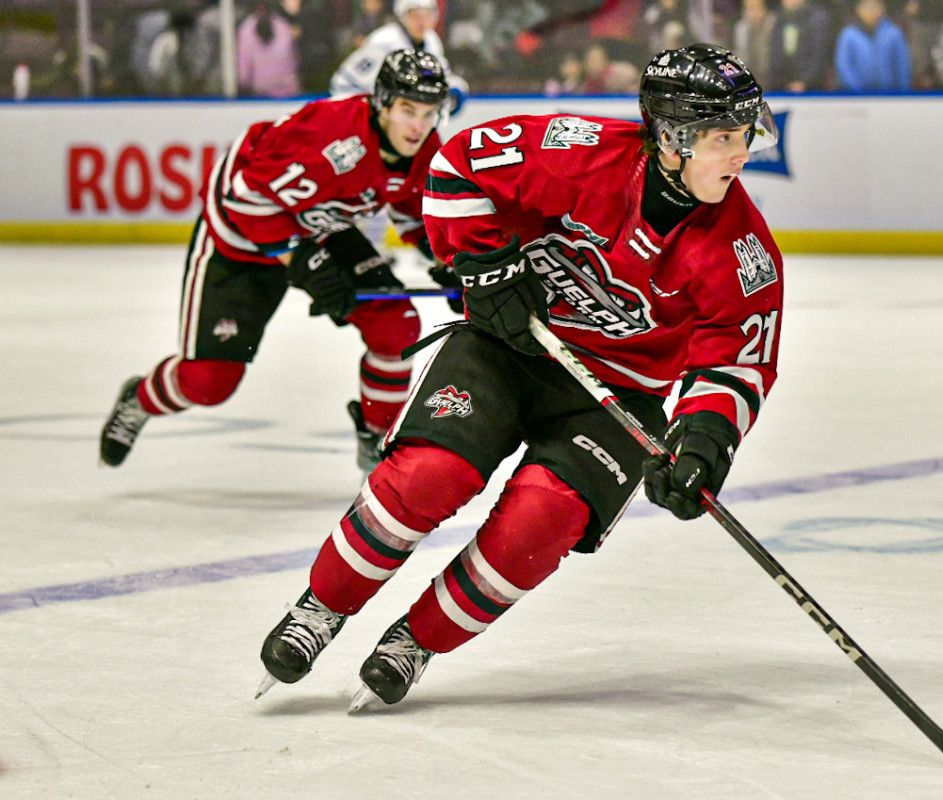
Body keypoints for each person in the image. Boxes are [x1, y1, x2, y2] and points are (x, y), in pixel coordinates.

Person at [255, 43, 785, 712]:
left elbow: (736, 362)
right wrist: (484, 265)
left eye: (744, 133)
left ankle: (415, 641)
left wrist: (705, 441)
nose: (741, 153)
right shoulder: (580, 151)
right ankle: (323, 606)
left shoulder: (743, 250)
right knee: (429, 475)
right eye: (723, 137)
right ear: (672, 138)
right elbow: (455, 170)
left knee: (541, 523)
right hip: (509, 347)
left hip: (618, 397)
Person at [98, 50, 458, 473]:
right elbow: (244, 199)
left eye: (428, 112)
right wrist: (305, 261)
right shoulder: (332, 139)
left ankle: (377, 436)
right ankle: (139, 398)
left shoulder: (421, 147)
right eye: (407, 110)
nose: (418, 125)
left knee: (396, 327)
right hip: (240, 236)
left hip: (318, 224)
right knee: (209, 383)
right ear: (382, 102)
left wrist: (451, 260)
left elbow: (413, 213)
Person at [330, 0, 467, 114]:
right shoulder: (384, 41)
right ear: (403, 16)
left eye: (428, 15)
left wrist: (454, 87)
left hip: (394, 113)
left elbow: (439, 77)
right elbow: (344, 82)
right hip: (361, 110)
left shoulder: (432, 40)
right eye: (415, 15)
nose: (422, 21)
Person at [835, 0, 912, 91]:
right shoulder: (848, 35)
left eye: (875, 7)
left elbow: (902, 66)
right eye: (867, 7)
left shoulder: (894, 34)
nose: (871, 12)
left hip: (889, 96)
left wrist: (901, 93)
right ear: (858, 10)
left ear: (883, 9)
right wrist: (857, 91)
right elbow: (844, 65)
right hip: (856, 97)